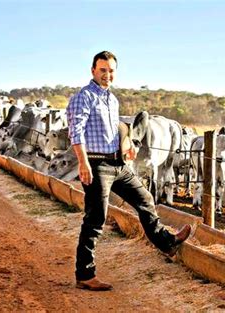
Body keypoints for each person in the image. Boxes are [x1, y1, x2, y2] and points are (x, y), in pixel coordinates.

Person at [66, 51, 191, 291]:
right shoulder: (85, 97)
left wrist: (128, 144)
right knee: (95, 219)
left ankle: (166, 243)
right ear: (93, 71)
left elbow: (118, 128)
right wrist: (82, 163)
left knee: (144, 198)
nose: (107, 74)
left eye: (111, 70)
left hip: (118, 164)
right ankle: (84, 274)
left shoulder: (112, 100)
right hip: (96, 164)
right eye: (103, 70)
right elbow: (76, 131)